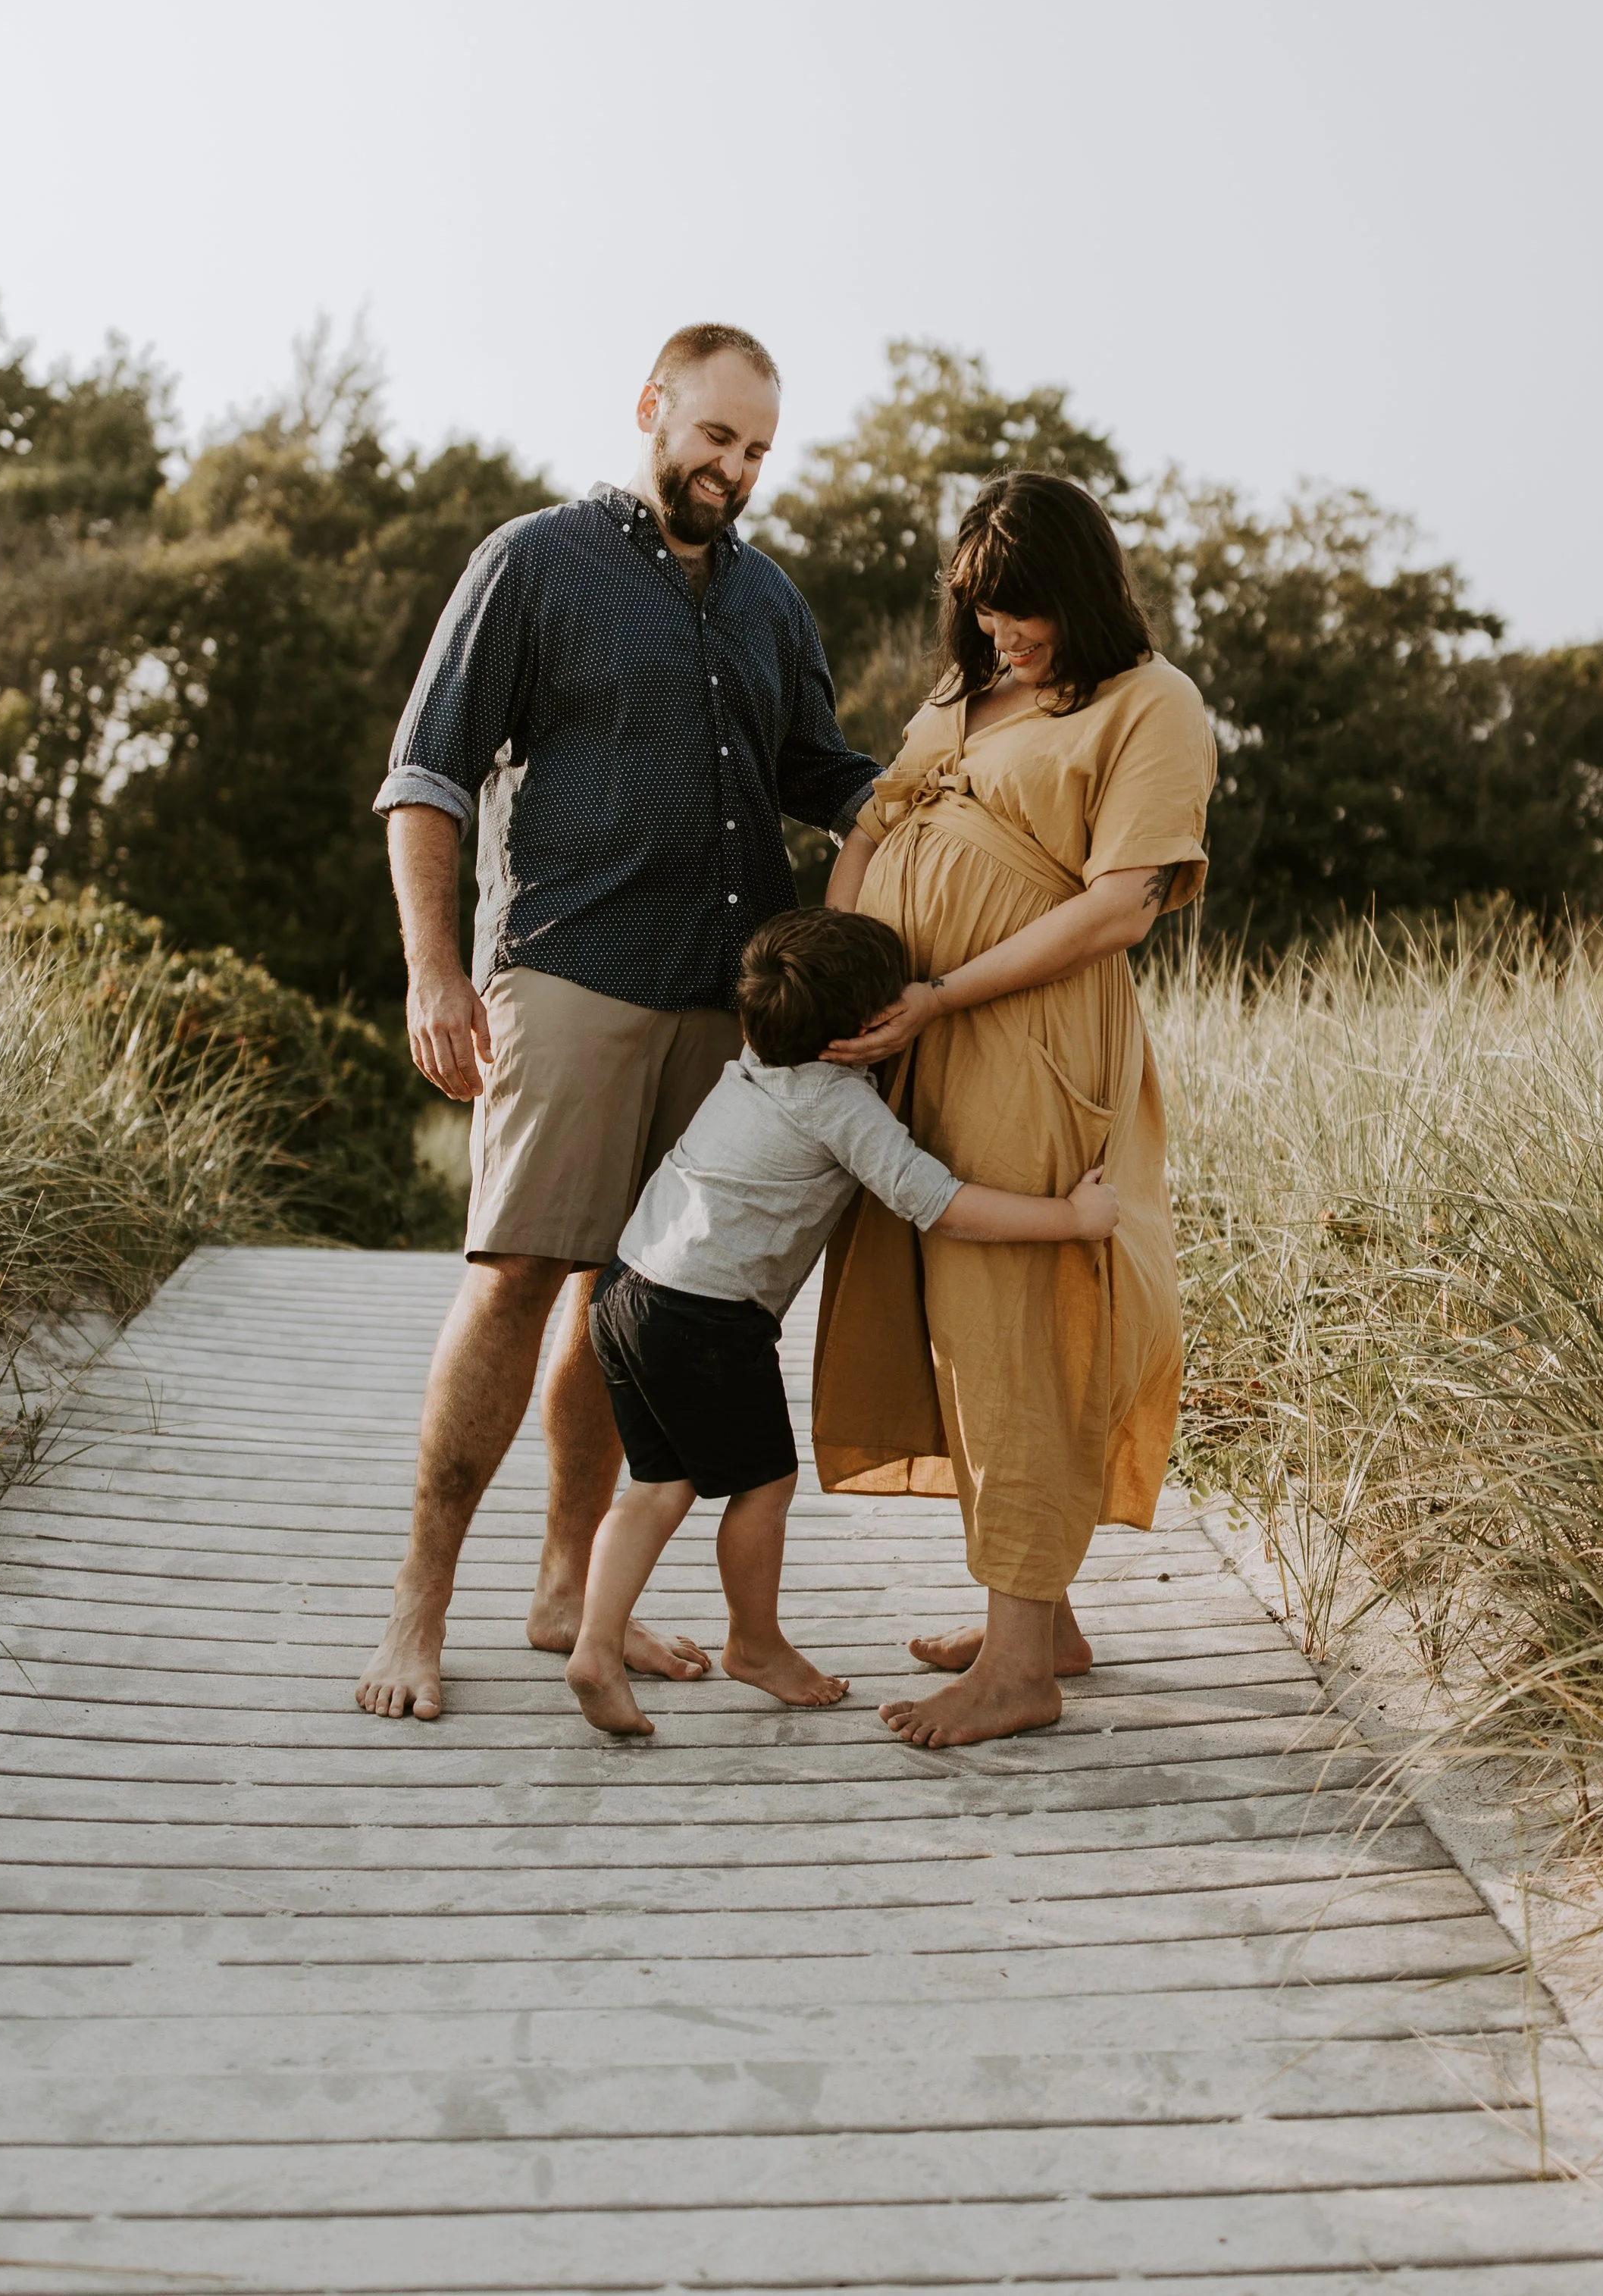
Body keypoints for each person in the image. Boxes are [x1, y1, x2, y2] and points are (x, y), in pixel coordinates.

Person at [355, 325, 881, 1720]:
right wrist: (432, 973)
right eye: (716, 437)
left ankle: (565, 1593)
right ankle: (419, 1609)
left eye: (760, 449)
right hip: (572, 970)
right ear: (652, 408)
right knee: (523, 1276)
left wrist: (968, 772)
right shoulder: (533, 562)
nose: (736, 469)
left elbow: (827, 774)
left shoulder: (772, 602)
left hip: (728, 1003)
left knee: (631, 1301)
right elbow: (428, 772)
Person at [818, 471, 1216, 1749]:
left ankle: (1019, 1671)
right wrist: (843, 970)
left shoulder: (1152, 705)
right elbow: (876, 824)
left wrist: (940, 993)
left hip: (1031, 1043)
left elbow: (1121, 905)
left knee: (1018, 1322)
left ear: (1083, 590)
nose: (1001, 634)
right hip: (919, 1034)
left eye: (1022, 609)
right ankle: (1038, 1620)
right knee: (950, 1322)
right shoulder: (961, 694)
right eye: (982, 610)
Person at [568, 908, 1120, 1737]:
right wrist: (1072, 1219)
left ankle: (594, 1646)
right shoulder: (838, 1103)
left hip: (627, 1287)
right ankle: (754, 1643)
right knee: (763, 1487)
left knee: (655, 1486)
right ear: (864, 1030)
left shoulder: (757, 1057)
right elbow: (939, 1202)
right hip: (706, 1315)